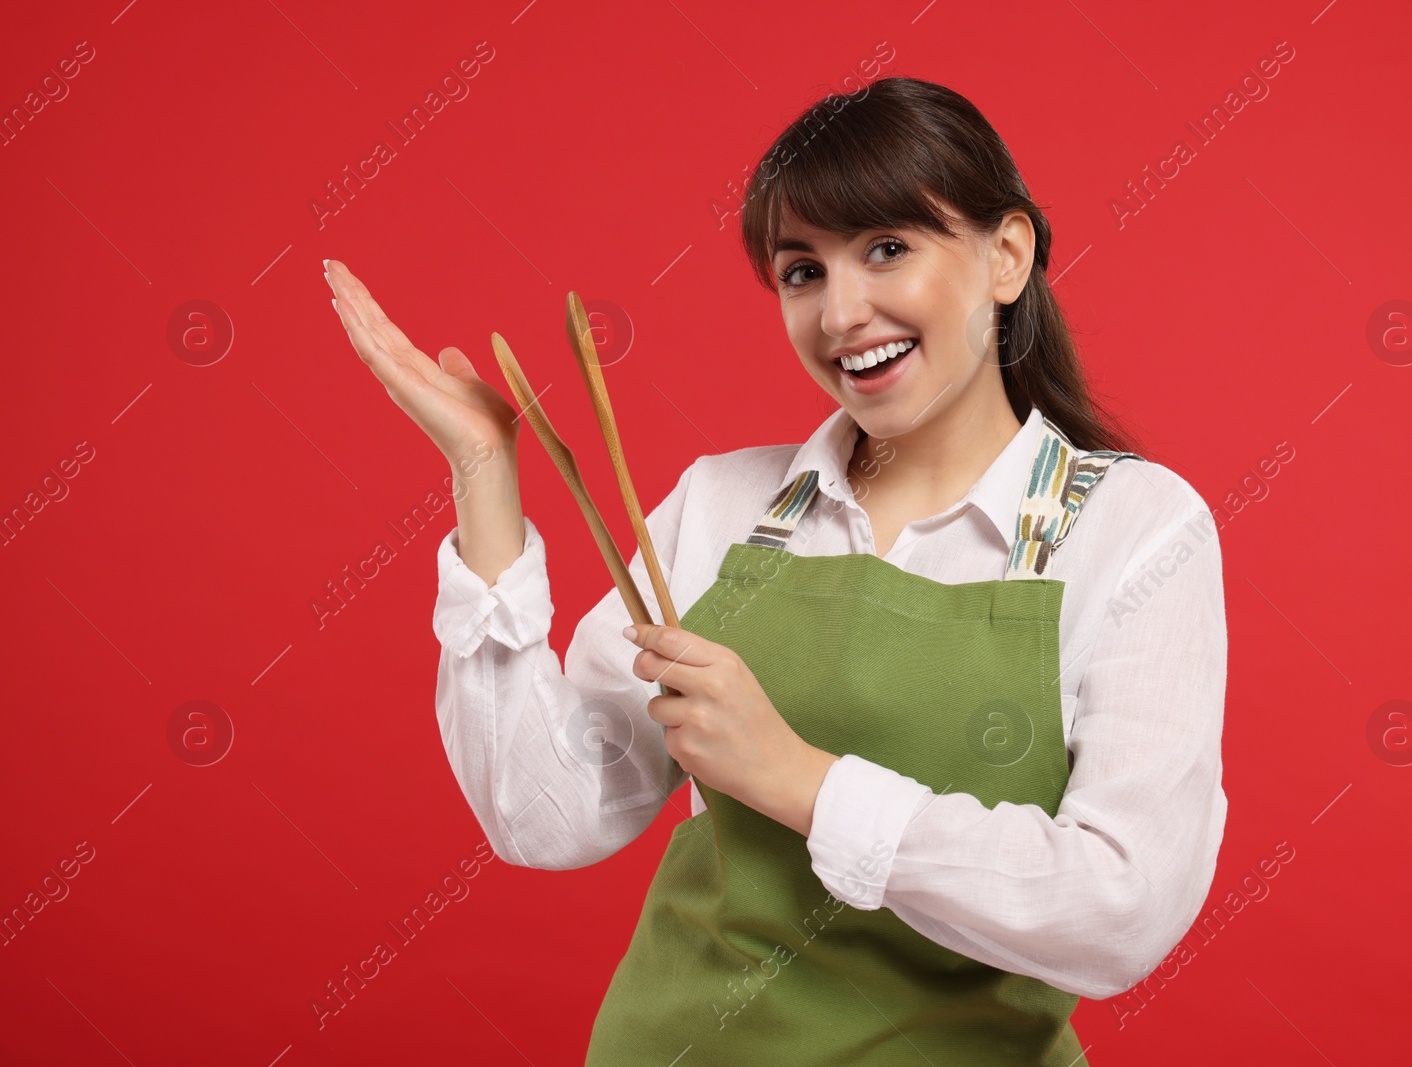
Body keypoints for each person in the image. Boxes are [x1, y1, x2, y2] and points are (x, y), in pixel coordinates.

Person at [328, 75, 1226, 1066]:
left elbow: (1118, 908)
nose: (841, 311)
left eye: (887, 248)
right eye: (802, 271)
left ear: (1006, 255)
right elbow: (544, 816)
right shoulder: (723, 506)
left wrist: (796, 777)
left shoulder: (1135, 528)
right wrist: (484, 479)